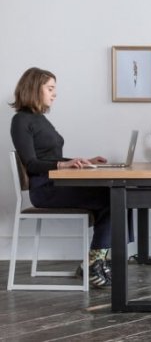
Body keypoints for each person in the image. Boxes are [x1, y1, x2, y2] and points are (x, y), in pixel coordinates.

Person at [10, 67, 112, 289]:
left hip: (57, 183)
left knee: (116, 195)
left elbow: (51, 157)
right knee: (112, 198)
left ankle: (95, 260)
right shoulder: (21, 121)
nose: (54, 93)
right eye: (50, 88)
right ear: (34, 89)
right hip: (44, 189)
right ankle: (95, 261)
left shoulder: (40, 119)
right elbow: (32, 163)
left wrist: (80, 160)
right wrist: (63, 164)